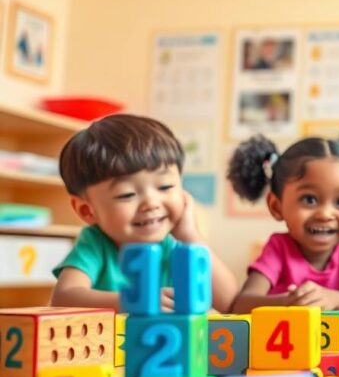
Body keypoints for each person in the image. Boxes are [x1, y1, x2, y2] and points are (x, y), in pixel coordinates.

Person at [51, 114, 237, 310]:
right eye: (127, 194)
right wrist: (135, 301)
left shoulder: (177, 244)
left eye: (165, 187)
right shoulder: (96, 243)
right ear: (87, 211)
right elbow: (63, 298)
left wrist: (190, 235)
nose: (151, 204)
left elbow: (229, 303)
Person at [227, 131, 339, 317]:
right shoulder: (279, 249)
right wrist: (287, 303)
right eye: (309, 199)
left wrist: (332, 298)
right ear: (276, 206)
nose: (325, 214)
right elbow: (242, 304)